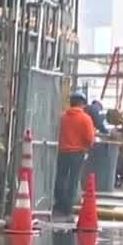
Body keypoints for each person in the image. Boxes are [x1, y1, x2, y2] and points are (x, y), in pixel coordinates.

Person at [54, 92, 97, 221]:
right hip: (78, 153)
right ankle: (68, 207)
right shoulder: (85, 119)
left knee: (60, 178)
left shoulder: (63, 117)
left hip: (62, 151)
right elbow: (90, 139)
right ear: (82, 103)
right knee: (73, 179)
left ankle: (60, 204)